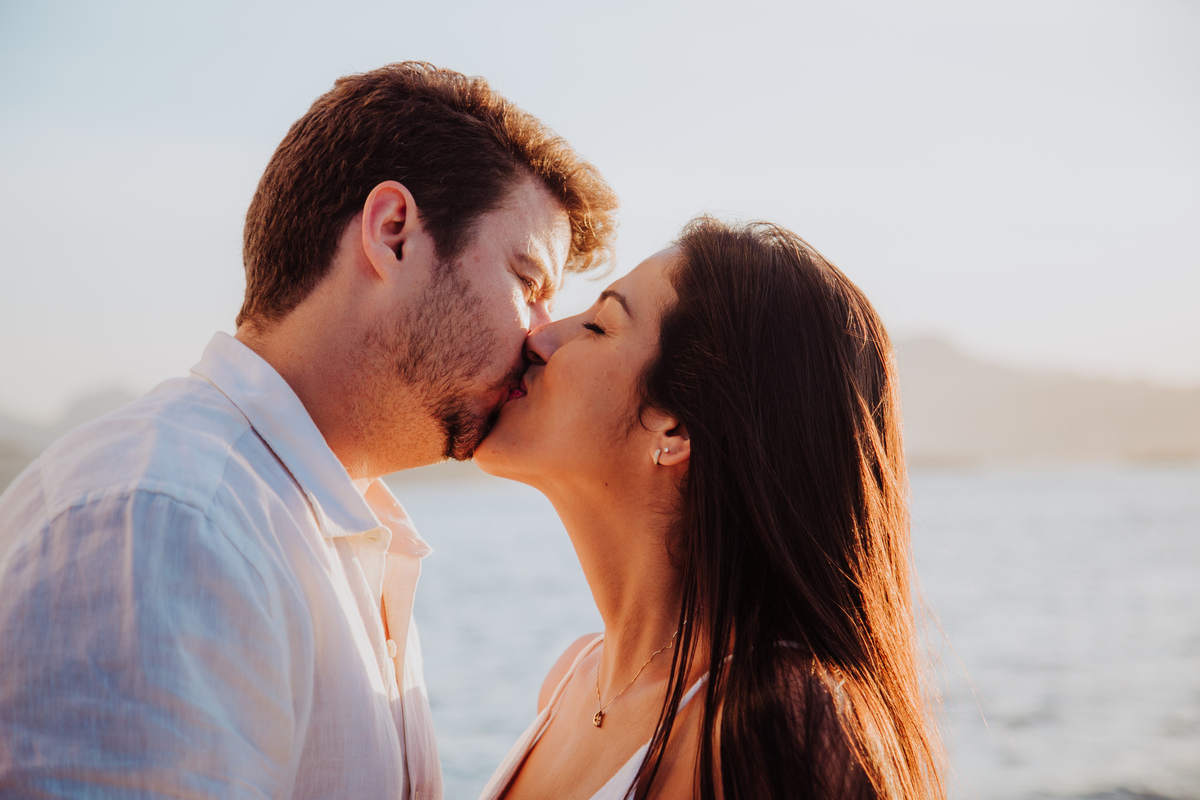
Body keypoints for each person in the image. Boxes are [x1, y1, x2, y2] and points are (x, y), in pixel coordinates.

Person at [0, 62, 616, 798]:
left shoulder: (326, 527)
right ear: (393, 234)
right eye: (528, 283)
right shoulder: (170, 521)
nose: (542, 339)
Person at [469, 218, 944, 799]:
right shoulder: (570, 681)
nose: (539, 338)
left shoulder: (781, 723)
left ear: (675, 427)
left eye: (596, 325)